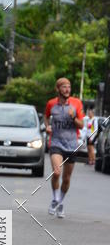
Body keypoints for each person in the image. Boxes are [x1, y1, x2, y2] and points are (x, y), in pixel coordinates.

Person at [44, 78, 84, 218]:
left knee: (66, 178)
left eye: (69, 86)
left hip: (71, 144)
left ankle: (60, 202)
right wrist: (47, 126)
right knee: (56, 173)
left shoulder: (76, 103)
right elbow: (46, 116)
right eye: (64, 87)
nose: (67, 89)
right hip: (56, 142)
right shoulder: (51, 104)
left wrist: (73, 118)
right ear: (58, 89)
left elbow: (81, 125)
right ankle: (55, 198)